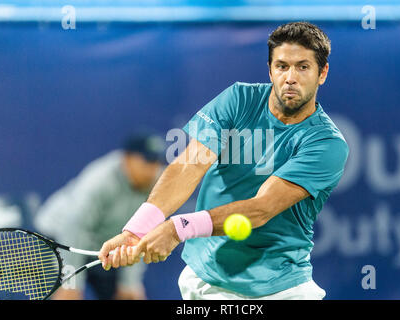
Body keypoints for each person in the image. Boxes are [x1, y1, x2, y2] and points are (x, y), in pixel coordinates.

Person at [99, 22, 349, 300]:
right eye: (281, 66)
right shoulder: (237, 100)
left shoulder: (327, 143)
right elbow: (189, 165)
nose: (290, 77)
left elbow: (261, 208)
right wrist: (137, 229)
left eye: (303, 67)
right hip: (206, 280)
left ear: (322, 73)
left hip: (281, 287)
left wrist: (178, 227)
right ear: (270, 70)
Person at [34, 132, 166, 300]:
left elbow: (141, 236)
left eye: (157, 162)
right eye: (147, 161)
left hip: (101, 246)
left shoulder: (157, 184)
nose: (153, 169)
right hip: (58, 238)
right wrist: (70, 283)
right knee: (64, 295)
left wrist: (130, 283)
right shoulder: (100, 180)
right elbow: (75, 227)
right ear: (127, 158)